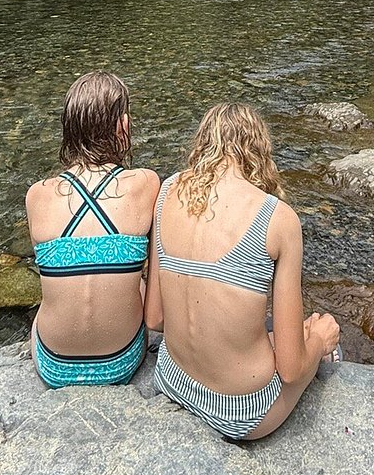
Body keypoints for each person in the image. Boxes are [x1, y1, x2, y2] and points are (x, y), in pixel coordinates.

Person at [145, 102, 340, 440]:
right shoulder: (277, 218)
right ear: (258, 150)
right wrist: (319, 342)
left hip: (171, 379)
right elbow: (291, 369)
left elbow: (155, 320)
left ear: (203, 143)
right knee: (317, 334)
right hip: (243, 412)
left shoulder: (166, 192)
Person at [25, 71, 160, 387]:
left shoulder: (37, 195)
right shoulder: (147, 183)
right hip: (121, 362)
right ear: (122, 126)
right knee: (136, 282)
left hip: (55, 368)